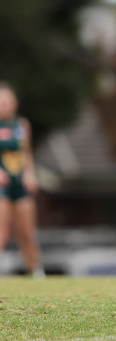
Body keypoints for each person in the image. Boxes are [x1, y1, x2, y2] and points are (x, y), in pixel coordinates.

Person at [0, 82, 45, 278]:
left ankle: (35, 271)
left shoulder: (22, 124)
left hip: (20, 184)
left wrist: (30, 174)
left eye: (8, 101)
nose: (5, 105)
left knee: (27, 232)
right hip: (2, 186)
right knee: (2, 230)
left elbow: (27, 153)